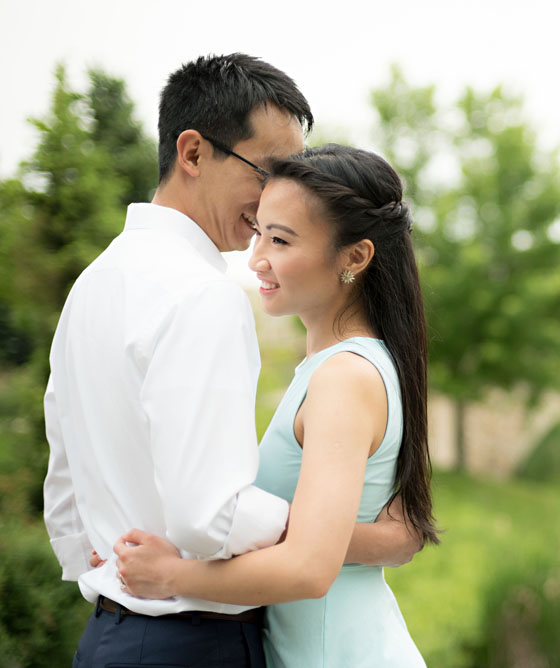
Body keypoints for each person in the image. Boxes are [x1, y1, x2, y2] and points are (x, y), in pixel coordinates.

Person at [43, 55, 420, 668]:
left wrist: (94, 556)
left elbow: (63, 473)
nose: (275, 194)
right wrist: (357, 538)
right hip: (188, 641)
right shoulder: (203, 293)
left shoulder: (93, 282)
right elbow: (208, 518)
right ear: (193, 153)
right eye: (267, 171)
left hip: (111, 634)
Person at [113, 144, 439, 667]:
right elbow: (341, 537)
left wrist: (172, 575)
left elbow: (311, 567)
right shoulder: (337, 369)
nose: (255, 257)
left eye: (281, 239)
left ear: (354, 257)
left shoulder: (343, 377)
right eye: (260, 231)